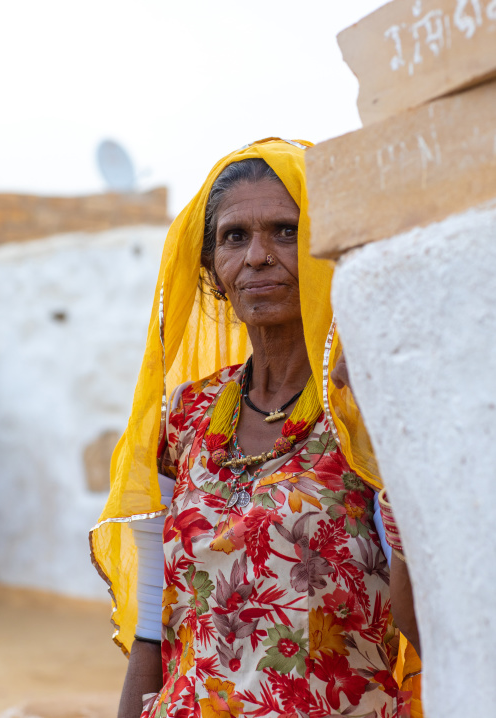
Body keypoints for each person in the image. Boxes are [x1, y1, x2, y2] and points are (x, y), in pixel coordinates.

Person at [90, 138, 422, 718]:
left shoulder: (361, 408)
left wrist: (395, 439)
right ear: (213, 272)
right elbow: (154, 625)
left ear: (328, 250)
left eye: (286, 232)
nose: (258, 256)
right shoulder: (187, 414)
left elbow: (425, 624)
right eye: (234, 237)